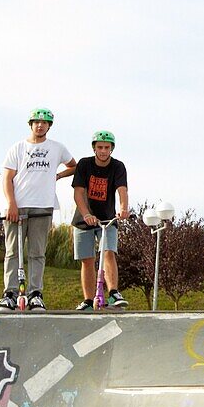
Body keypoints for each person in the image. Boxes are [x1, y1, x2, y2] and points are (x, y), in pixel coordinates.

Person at [0, 108, 77, 312]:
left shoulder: (57, 148)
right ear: (31, 124)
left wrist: (58, 176)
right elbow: (7, 178)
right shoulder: (18, 148)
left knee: (37, 253)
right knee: (13, 252)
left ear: (49, 126)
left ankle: (35, 293)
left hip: (43, 206)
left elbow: (74, 166)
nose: (40, 125)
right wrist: (11, 204)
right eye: (36, 122)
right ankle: (10, 294)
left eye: (45, 122)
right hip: (18, 206)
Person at [71, 130, 130, 311]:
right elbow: (78, 193)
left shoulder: (118, 166)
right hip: (84, 220)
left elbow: (122, 190)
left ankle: (113, 293)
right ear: (94, 148)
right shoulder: (84, 164)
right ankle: (88, 300)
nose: (103, 151)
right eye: (100, 147)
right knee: (87, 260)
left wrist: (123, 209)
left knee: (108, 252)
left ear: (112, 149)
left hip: (107, 220)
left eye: (107, 147)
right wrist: (86, 214)